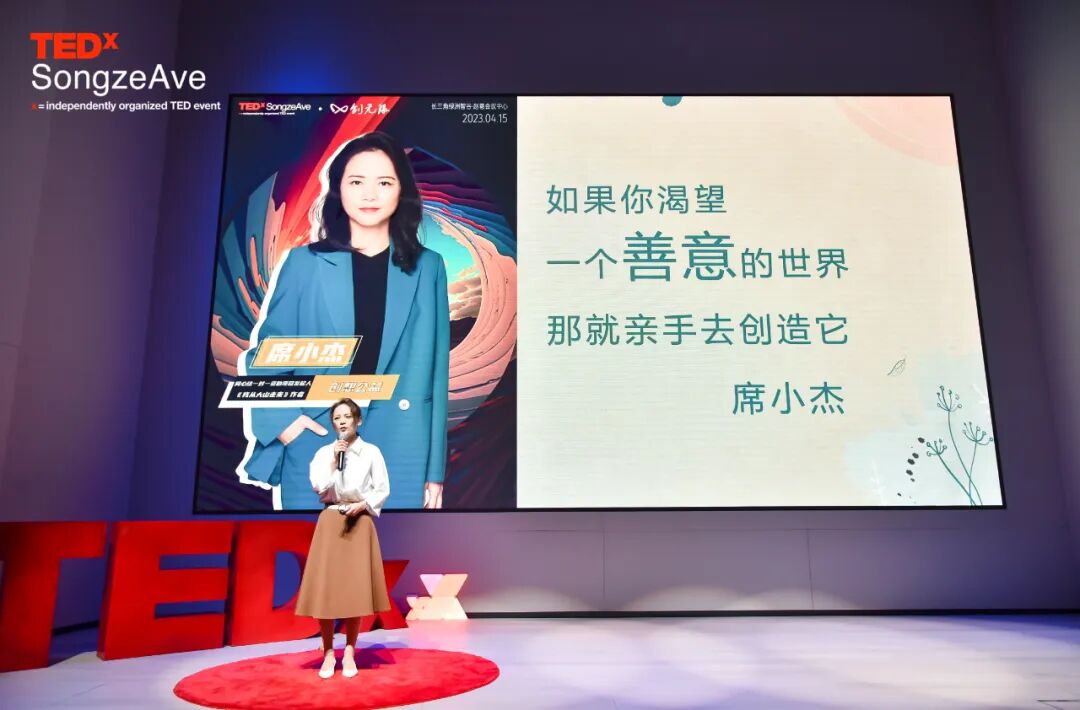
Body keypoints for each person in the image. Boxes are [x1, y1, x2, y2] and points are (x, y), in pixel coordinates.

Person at [235, 131, 450, 510]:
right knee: (315, 548)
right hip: (317, 438)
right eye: (356, 182)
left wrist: (435, 469)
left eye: (384, 183)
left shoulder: (428, 266)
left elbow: (436, 374)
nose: (370, 195)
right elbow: (267, 356)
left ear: (402, 190)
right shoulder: (304, 263)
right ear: (338, 189)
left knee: (393, 548)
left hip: (403, 449)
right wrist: (286, 425)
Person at [295, 398, 391, 679]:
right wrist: (333, 462)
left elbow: (382, 488)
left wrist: (363, 505)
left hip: (359, 521)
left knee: (354, 590)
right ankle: (328, 652)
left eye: (347, 416)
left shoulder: (371, 452)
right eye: (337, 418)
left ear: (357, 420)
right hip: (331, 519)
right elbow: (319, 487)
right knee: (327, 590)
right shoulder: (324, 453)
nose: (342, 421)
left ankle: (349, 651)